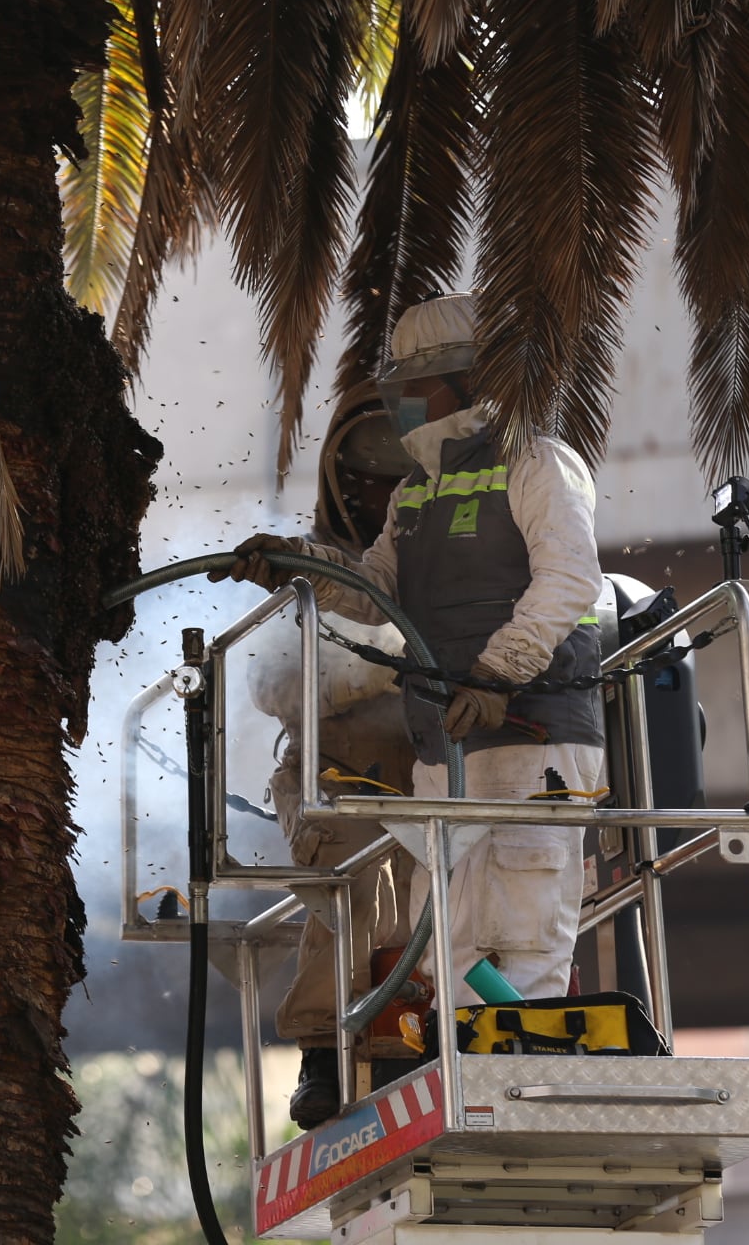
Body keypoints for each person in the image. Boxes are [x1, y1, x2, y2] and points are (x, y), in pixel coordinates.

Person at [214, 291, 605, 1120]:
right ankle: (467, 1089)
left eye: (414, 387)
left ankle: (518, 1096)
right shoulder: (414, 495)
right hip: (446, 749)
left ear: (464, 382)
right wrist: (299, 564)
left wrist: (498, 674)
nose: (403, 406)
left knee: (523, 925)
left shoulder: (538, 462)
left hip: (530, 740)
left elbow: (572, 579)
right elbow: (374, 593)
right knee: (446, 939)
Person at [243, 392, 418, 1130]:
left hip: (423, 769)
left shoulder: (438, 562)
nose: (380, 494)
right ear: (341, 486)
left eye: (394, 478)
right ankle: (322, 1049)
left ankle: (418, 1038)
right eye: (368, 480)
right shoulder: (305, 574)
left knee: (441, 900)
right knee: (350, 884)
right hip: (331, 773)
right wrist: (369, 671)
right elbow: (268, 683)